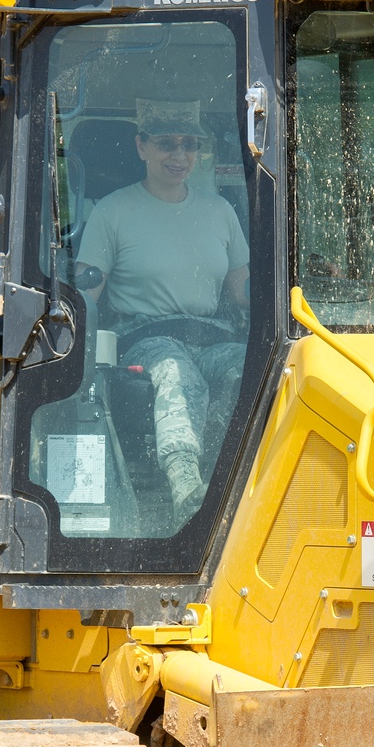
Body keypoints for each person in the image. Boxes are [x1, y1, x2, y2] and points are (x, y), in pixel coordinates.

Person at [76, 99, 249, 524]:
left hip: (212, 337)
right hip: (145, 338)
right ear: (142, 147)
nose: (179, 156)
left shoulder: (220, 212)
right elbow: (86, 296)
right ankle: (189, 494)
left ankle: (240, 487)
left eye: (189, 145)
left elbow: (243, 290)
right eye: (167, 144)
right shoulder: (112, 213)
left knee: (251, 367)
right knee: (175, 371)